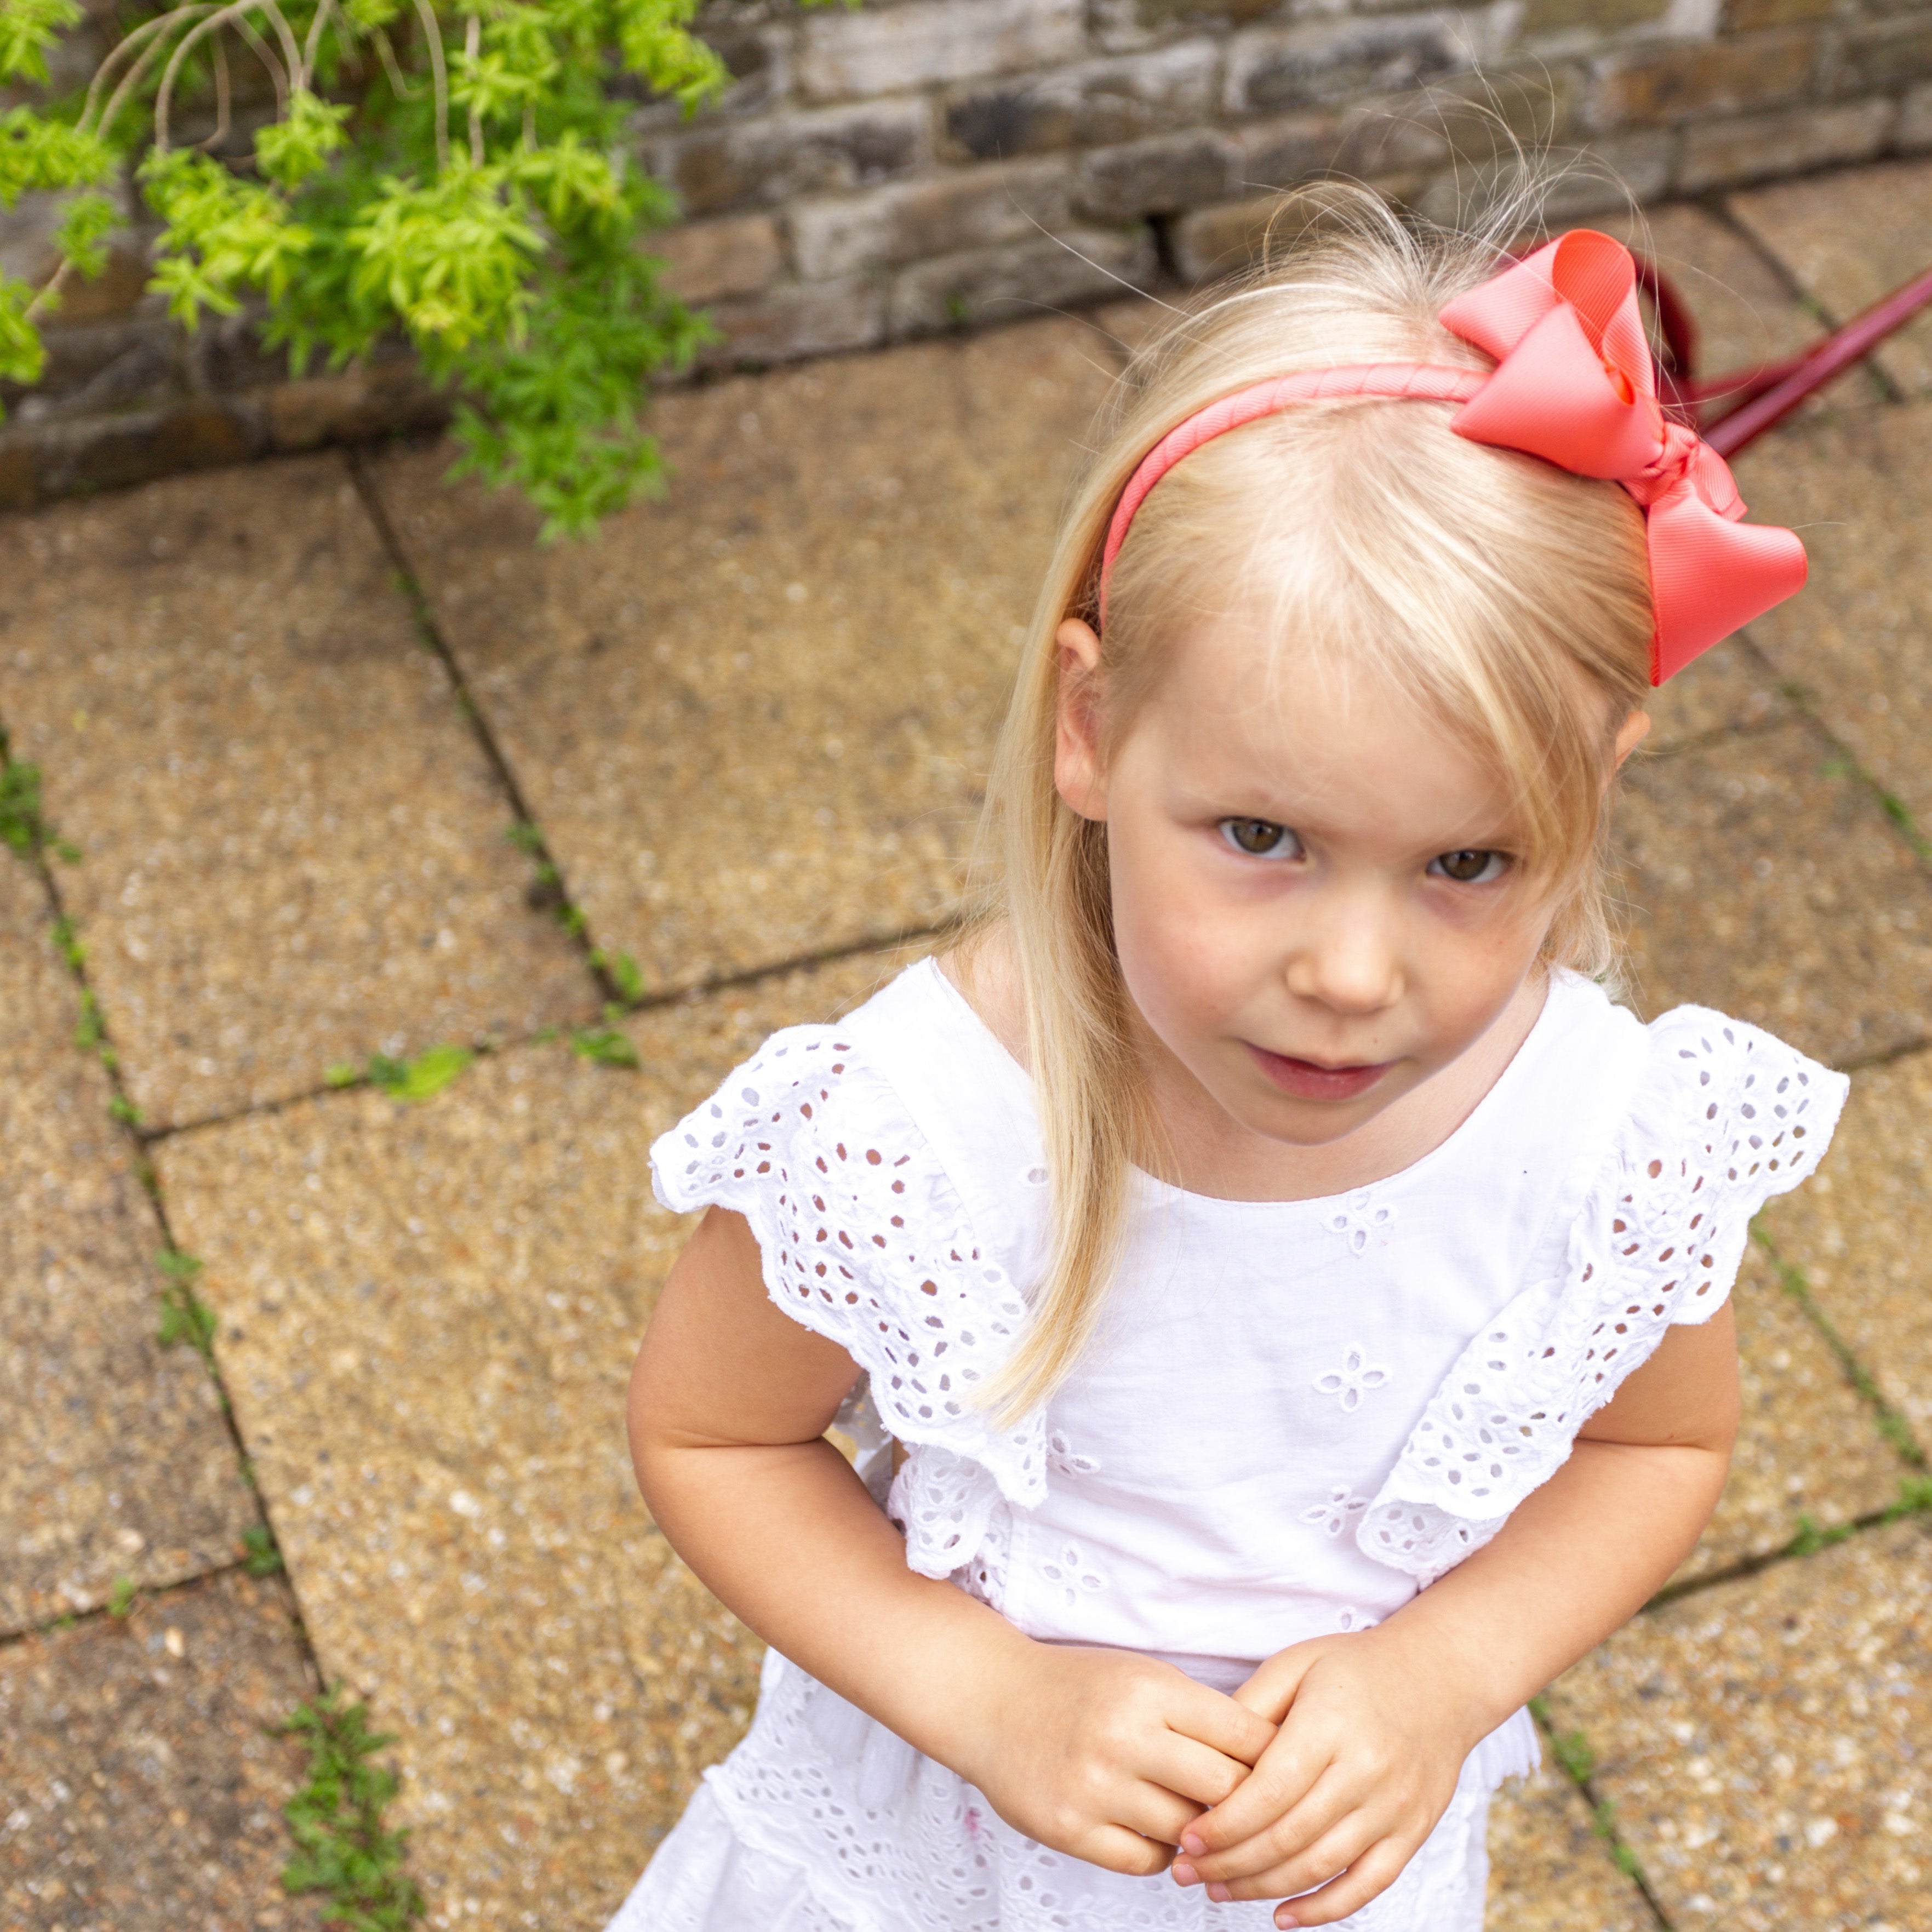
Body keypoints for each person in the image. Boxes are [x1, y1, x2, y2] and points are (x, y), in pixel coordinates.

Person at [607, 193, 1843, 1932]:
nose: (1351, 974)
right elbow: (717, 1436)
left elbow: (1656, 1450)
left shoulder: (1599, 1137)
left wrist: (1439, 1677)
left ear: (1603, 780)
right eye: (1262, 833)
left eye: (1468, 865)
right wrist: (984, 1694)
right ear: (1093, 729)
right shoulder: (923, 1131)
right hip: (933, 1868)